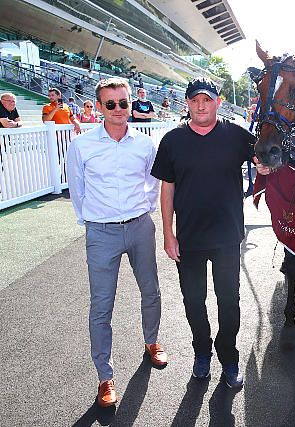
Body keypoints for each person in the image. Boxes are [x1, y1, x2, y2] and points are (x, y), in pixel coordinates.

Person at [66, 77, 167, 408]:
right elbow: (77, 189)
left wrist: (144, 210)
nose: (118, 109)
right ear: (99, 107)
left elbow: (153, 182)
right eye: (110, 104)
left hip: (139, 227)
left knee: (151, 290)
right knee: (101, 305)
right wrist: (92, 220)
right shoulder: (82, 145)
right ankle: (105, 377)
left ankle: (151, 342)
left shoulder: (145, 144)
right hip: (101, 232)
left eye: (123, 102)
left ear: (130, 104)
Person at [151, 77, 255, 388]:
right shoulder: (172, 140)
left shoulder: (237, 135)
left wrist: (264, 166)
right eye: (195, 100)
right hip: (189, 238)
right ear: (187, 103)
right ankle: (202, 352)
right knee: (194, 300)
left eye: (207, 100)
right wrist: (168, 233)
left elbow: (263, 157)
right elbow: (167, 189)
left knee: (229, 301)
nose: (200, 106)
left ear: (217, 102)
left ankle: (229, 356)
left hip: (227, 236)